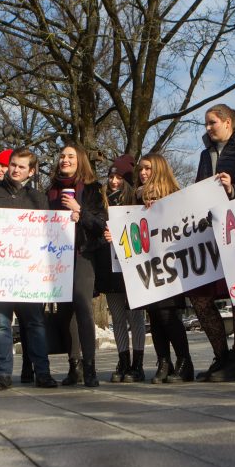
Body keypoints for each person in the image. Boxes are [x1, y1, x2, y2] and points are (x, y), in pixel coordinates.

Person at [191, 104, 235, 382]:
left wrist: (234, 190)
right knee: (200, 297)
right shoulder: (203, 155)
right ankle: (221, 356)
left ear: (228, 122)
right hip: (208, 237)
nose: (208, 128)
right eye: (206, 124)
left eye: (212, 122)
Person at [0, 148, 59, 389]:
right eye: (13, 164)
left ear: (31, 172)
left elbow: (49, 234)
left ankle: (42, 373)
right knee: (1, 323)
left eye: (21, 167)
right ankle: (3, 374)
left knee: (35, 322)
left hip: (29, 274)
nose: (14, 169)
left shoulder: (39, 199)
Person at [47, 142, 109, 387]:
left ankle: (91, 367)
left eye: (71, 156)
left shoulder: (93, 189)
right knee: (65, 312)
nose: (65, 159)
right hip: (57, 256)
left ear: (80, 160)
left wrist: (79, 212)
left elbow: (101, 224)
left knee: (82, 306)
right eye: (62, 155)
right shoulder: (51, 190)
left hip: (83, 254)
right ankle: (75, 366)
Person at [135, 154, 194, 383]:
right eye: (141, 169)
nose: (143, 173)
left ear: (159, 169)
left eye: (148, 169)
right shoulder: (137, 197)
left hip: (170, 266)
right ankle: (163, 362)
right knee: (155, 316)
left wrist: (161, 208)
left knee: (168, 314)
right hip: (147, 267)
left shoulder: (174, 194)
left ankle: (184, 361)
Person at [97, 154, 147, 383]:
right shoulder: (102, 202)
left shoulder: (137, 201)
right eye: (111, 176)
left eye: (118, 177)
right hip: (110, 266)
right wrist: (104, 234)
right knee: (117, 317)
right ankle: (123, 360)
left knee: (135, 316)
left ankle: (138, 362)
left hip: (132, 265)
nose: (114, 181)